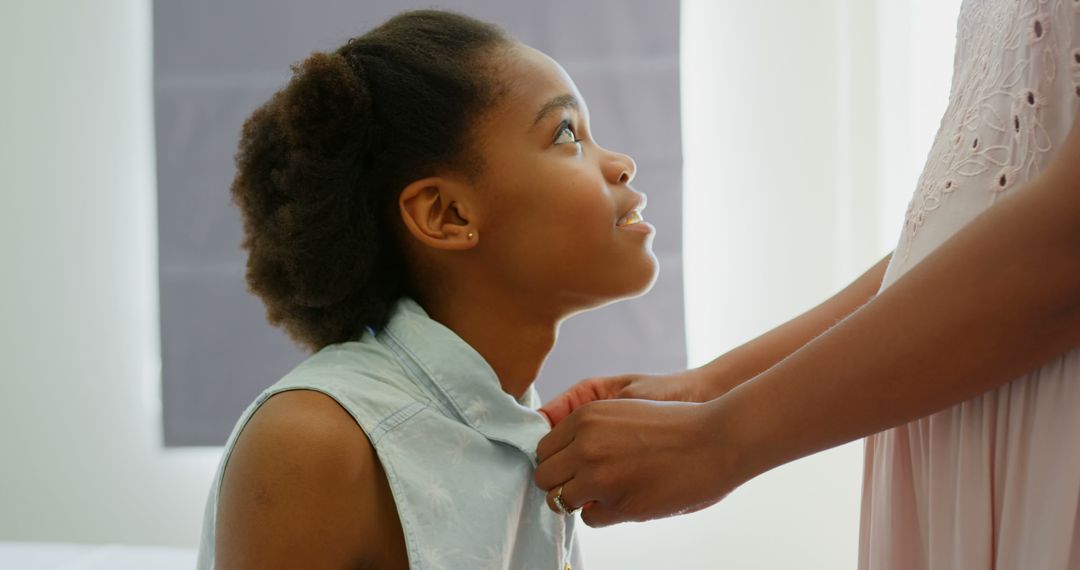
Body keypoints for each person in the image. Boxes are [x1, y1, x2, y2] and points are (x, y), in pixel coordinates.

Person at [534, 2, 1080, 568]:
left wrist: (718, 437)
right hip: (966, 424)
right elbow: (953, 232)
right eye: (568, 134)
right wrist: (709, 388)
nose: (623, 161)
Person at [196, 9, 656, 569]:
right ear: (447, 213)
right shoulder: (309, 442)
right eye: (566, 133)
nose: (622, 164)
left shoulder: (522, 427)